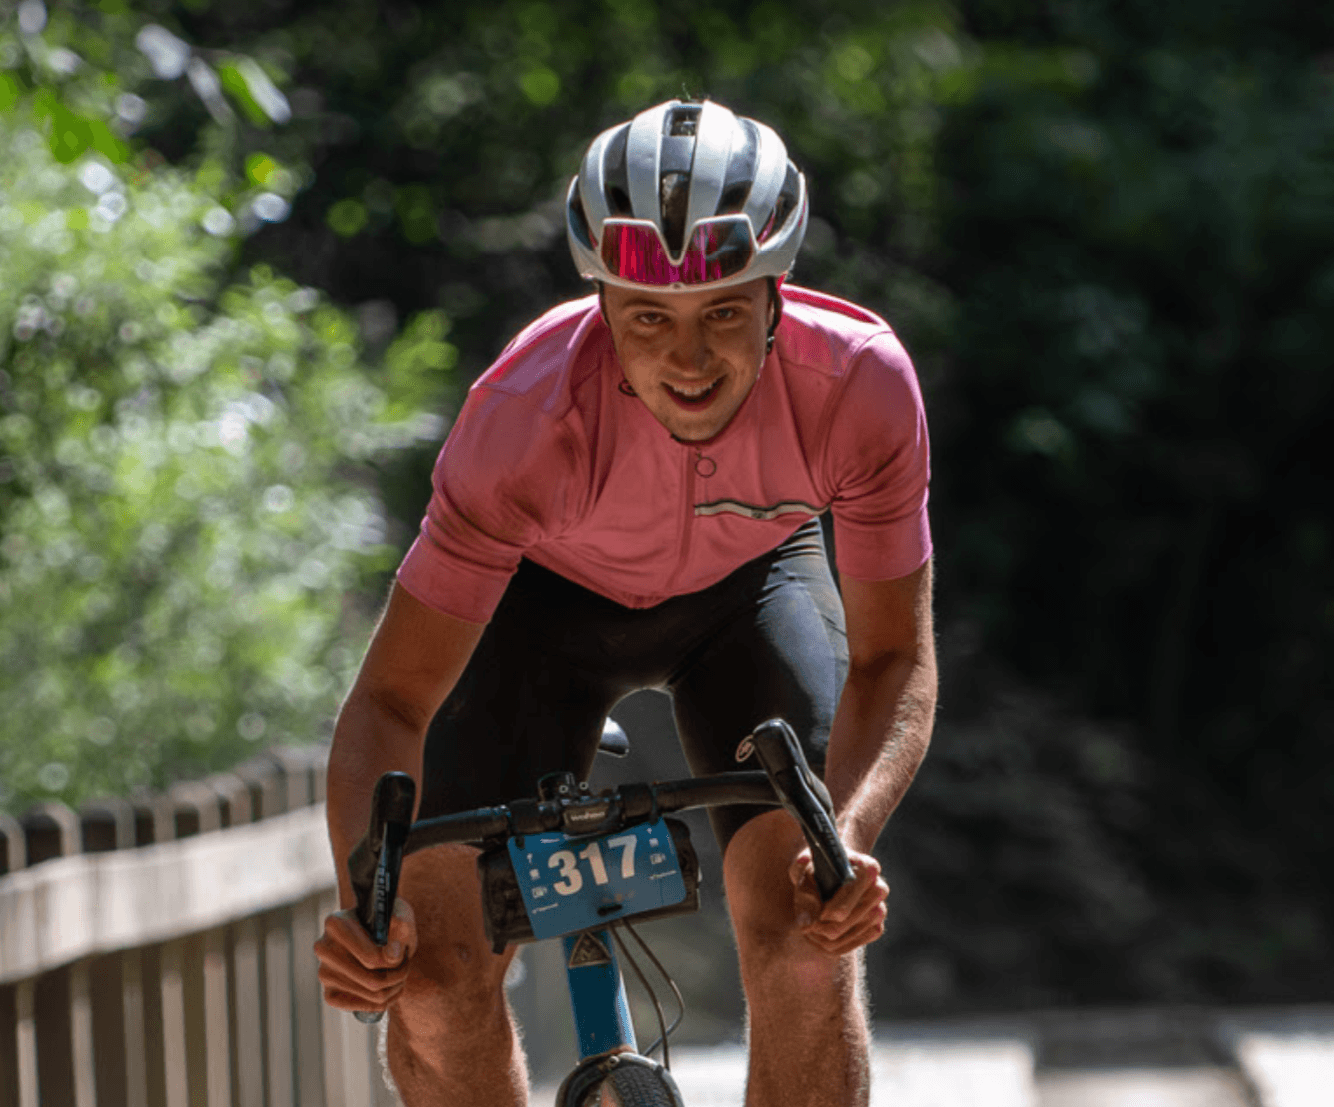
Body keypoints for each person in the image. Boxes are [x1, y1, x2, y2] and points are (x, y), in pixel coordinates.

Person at [314, 98, 937, 1107]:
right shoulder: (520, 418)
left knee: (804, 935)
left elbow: (889, 663)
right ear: (601, 305)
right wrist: (367, 905)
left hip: (747, 598)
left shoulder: (859, 385)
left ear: (777, 294)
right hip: (535, 613)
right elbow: (388, 703)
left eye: (722, 313)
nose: (686, 361)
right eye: (648, 318)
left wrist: (847, 840)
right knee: (427, 971)